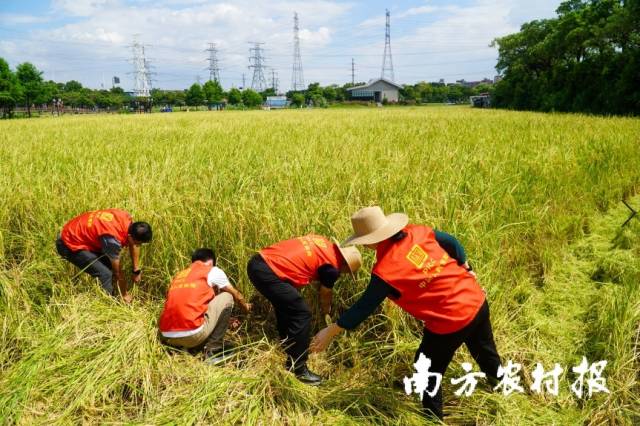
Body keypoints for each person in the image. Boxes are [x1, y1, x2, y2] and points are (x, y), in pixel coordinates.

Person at [310, 206, 501, 420]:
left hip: (450, 320)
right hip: (475, 298)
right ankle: (501, 386)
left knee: (426, 367)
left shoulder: (385, 271)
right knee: (485, 350)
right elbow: (452, 242)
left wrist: (330, 331)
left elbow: (364, 307)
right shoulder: (417, 231)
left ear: (370, 241)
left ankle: (432, 418)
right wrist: (466, 267)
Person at [247, 235, 362, 385]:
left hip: (259, 261)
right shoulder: (332, 269)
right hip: (268, 271)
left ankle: (287, 347)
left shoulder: (323, 243)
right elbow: (325, 294)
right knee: (302, 313)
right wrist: (326, 311)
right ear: (345, 266)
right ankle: (299, 370)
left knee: (287, 307)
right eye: (347, 272)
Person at [159, 248, 252, 359]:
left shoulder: (179, 275)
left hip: (167, 336)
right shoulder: (212, 270)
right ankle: (214, 350)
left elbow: (188, 304)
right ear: (211, 262)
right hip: (192, 336)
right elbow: (236, 295)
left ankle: (181, 348)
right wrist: (246, 309)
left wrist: (222, 319)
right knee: (227, 297)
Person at [56, 209, 152, 302]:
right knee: (105, 274)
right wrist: (124, 295)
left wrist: (136, 270)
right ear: (130, 237)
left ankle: (113, 294)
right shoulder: (112, 239)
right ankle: (108, 305)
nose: (138, 246)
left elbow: (134, 244)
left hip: (78, 233)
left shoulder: (126, 219)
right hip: (68, 243)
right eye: (138, 243)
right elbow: (118, 273)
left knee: (109, 266)